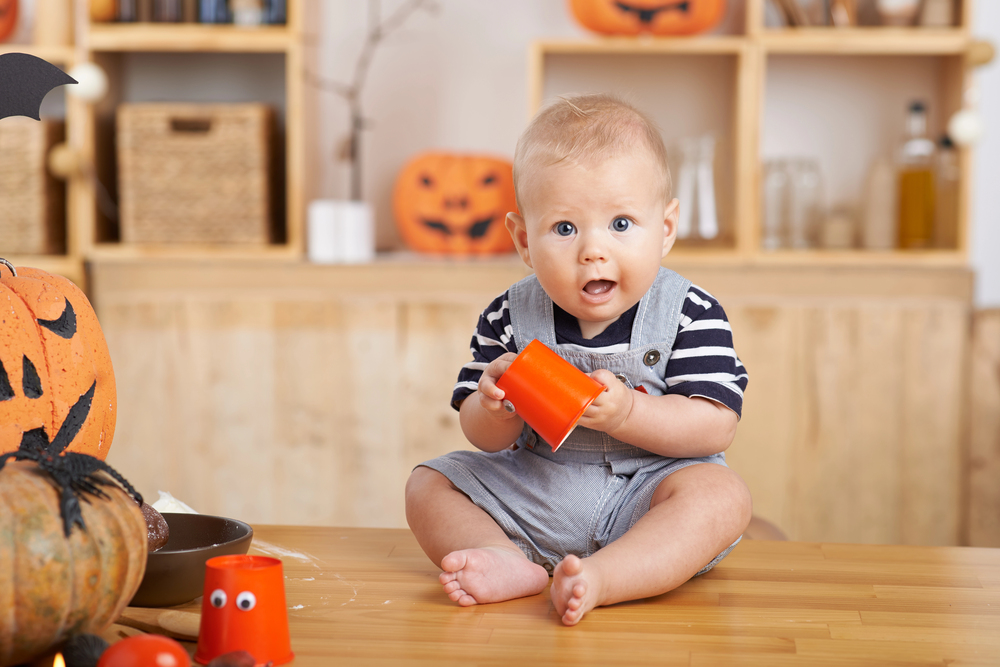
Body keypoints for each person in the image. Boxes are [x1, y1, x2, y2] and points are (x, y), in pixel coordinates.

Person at [404, 93, 752, 626]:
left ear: (664, 228)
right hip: (536, 486)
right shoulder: (507, 315)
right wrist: (494, 406)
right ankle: (504, 558)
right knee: (429, 484)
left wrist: (628, 414)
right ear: (523, 239)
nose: (593, 250)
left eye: (621, 224)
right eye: (565, 229)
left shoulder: (692, 313)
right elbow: (480, 435)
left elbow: (715, 428)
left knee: (721, 496)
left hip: (647, 492)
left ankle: (609, 576)